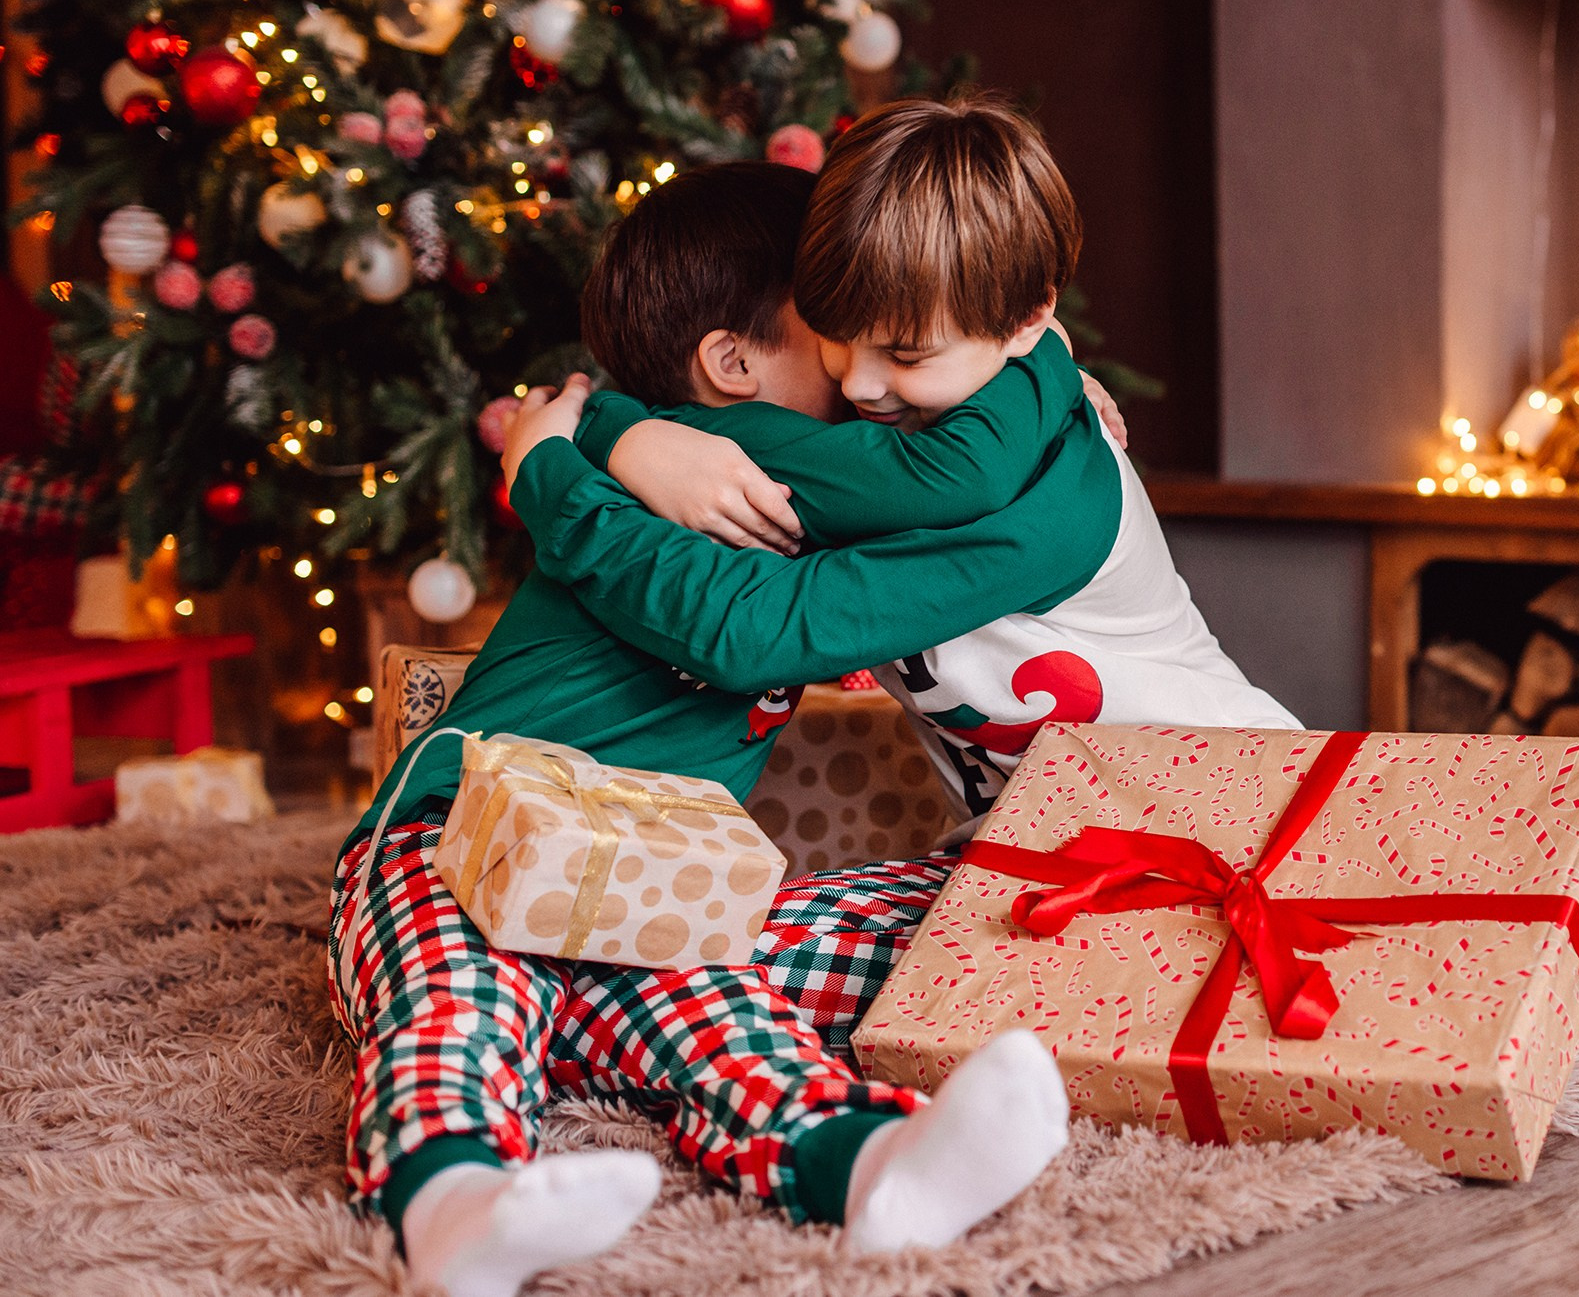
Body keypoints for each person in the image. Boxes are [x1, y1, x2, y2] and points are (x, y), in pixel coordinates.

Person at [332, 160, 1101, 1297]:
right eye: (831, 323)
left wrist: (1044, 362)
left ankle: (866, 1165)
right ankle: (449, 1199)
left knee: (718, 1003)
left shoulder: (778, 473)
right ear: (735, 365)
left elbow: (959, 468)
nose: (860, 364)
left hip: (649, 869)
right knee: (459, 990)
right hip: (458, 831)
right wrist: (579, 449)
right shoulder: (697, 482)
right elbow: (772, 600)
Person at [535, 93, 1301, 1063]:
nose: (859, 384)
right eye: (836, 335)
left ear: (1025, 320)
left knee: (685, 969)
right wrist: (629, 433)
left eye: (902, 354)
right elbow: (782, 436)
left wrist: (591, 443)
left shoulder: (1033, 499)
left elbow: (758, 629)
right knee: (681, 952)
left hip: (1231, 833)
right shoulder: (897, 423)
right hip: (1037, 856)